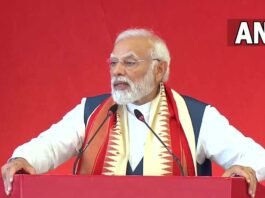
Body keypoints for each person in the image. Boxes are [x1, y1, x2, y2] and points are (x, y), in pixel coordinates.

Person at [2, 28, 265, 197]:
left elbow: (258, 159)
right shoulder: (91, 112)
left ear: (159, 69)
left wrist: (245, 168)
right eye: (113, 63)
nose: (117, 71)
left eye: (129, 62)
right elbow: (49, 146)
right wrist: (23, 157)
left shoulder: (197, 117)